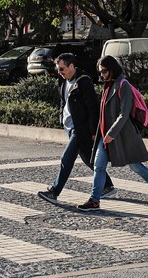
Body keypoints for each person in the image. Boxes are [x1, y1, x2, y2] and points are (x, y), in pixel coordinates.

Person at [78, 54, 148, 211]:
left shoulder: (123, 84)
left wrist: (111, 133)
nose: (103, 74)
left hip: (122, 135)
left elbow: (124, 113)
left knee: (136, 166)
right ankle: (94, 200)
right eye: (100, 72)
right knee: (98, 166)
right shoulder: (108, 85)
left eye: (105, 71)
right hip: (105, 134)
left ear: (113, 68)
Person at [38, 53, 115, 203]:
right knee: (88, 158)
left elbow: (93, 108)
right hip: (70, 127)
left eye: (62, 68)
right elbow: (63, 100)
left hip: (81, 128)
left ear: (72, 66)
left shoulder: (84, 81)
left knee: (66, 159)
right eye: (58, 69)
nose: (59, 72)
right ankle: (107, 185)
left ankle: (54, 192)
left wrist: (93, 131)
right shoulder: (62, 79)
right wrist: (62, 118)